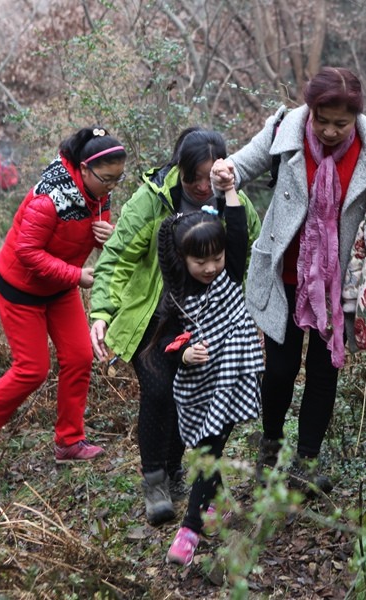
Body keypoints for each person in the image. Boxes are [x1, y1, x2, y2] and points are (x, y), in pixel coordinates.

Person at [211, 67, 366, 493]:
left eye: (341, 123)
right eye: (323, 120)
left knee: (323, 371)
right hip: (286, 272)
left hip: (338, 282)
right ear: (310, 108)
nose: (331, 131)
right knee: (279, 370)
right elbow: (240, 166)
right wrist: (224, 174)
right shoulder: (285, 129)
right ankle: (270, 448)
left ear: (356, 118)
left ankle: (306, 463)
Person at [89, 129, 262, 525]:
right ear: (178, 168)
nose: (201, 187)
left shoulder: (232, 197)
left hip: (207, 321)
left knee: (191, 395)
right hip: (154, 318)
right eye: (192, 178)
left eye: (208, 177)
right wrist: (101, 312)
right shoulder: (153, 199)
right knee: (158, 391)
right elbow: (117, 257)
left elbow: (251, 248)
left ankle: (174, 469)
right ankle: (155, 481)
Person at [0, 126, 125, 469]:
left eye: (117, 179)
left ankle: (69, 442)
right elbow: (27, 251)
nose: (111, 187)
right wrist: (77, 275)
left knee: (79, 357)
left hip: (59, 287)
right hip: (21, 289)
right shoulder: (49, 199)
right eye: (106, 179)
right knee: (32, 369)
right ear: (85, 169)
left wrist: (109, 236)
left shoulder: (99, 194)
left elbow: (92, 236)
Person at [152, 178, 264, 567]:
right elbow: (167, 343)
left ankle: (190, 529)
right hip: (198, 385)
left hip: (232, 378)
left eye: (216, 258)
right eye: (201, 262)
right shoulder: (178, 296)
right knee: (203, 447)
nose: (211, 267)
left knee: (211, 449)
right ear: (182, 259)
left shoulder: (228, 275)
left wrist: (230, 191)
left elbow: (239, 235)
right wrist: (184, 354)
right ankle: (217, 505)